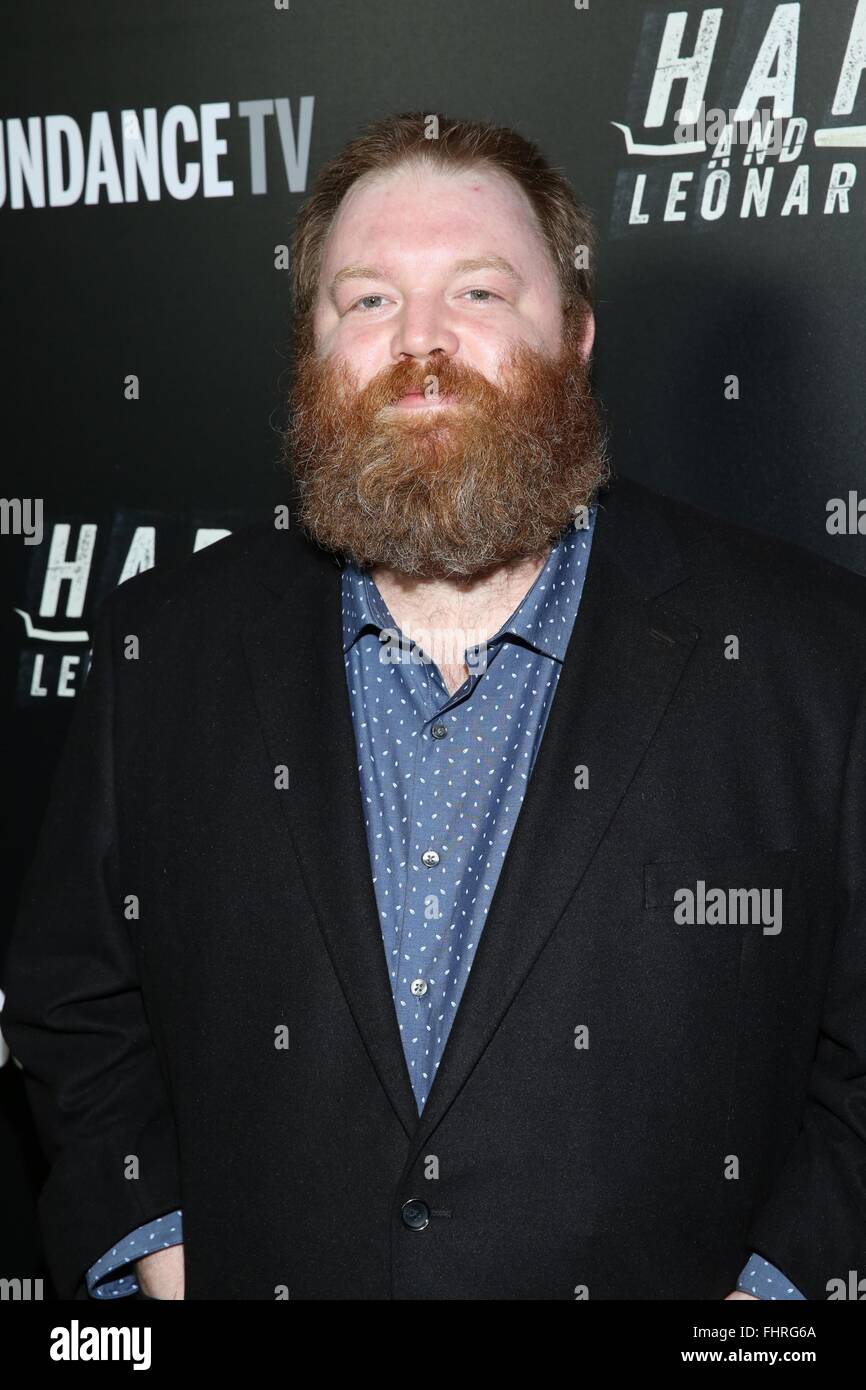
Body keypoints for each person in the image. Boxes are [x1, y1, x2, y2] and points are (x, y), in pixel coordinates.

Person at [3, 110, 866, 1301]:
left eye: (476, 292)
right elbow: (73, 998)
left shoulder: (806, 652)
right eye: (365, 301)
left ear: (572, 337)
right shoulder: (168, 646)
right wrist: (163, 1258)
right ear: (311, 352)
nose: (419, 342)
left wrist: (763, 1310)